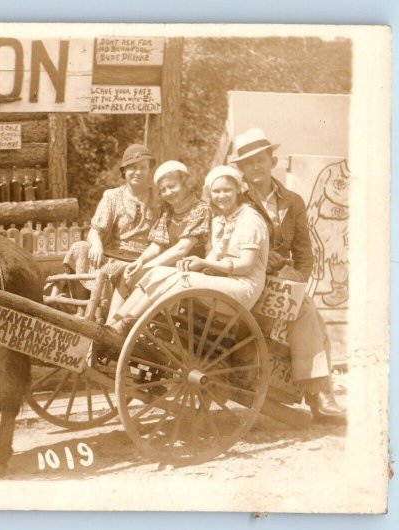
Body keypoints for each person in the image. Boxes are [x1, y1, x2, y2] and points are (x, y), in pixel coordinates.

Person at [231, 128, 346, 424]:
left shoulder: (292, 201)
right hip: (250, 279)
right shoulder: (238, 202)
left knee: (315, 321)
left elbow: (304, 251)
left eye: (260, 160)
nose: (255, 167)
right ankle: (319, 397)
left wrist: (297, 283)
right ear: (241, 170)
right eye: (248, 163)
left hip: (284, 282)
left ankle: (318, 396)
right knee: (309, 316)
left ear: (273, 161)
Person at [109, 165, 269, 331]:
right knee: (159, 273)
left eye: (226, 190)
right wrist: (198, 265)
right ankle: (116, 322)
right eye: (216, 192)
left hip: (243, 288)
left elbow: (246, 266)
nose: (221, 196)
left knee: (179, 279)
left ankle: (125, 325)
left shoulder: (250, 219)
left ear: (238, 189)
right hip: (223, 282)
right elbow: (213, 256)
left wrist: (204, 264)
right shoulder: (220, 220)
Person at [62, 143, 159, 283]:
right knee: (80, 248)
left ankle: (102, 303)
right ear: (124, 171)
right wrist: (96, 245)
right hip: (112, 254)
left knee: (110, 270)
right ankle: (80, 302)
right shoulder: (112, 197)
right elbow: (95, 231)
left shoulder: (158, 198)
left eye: (143, 167)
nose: (138, 172)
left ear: (149, 171)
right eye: (132, 167)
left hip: (143, 259)